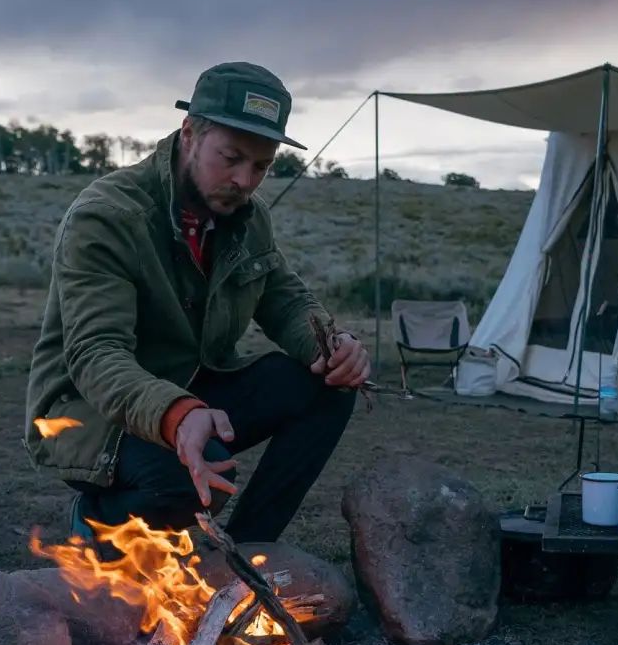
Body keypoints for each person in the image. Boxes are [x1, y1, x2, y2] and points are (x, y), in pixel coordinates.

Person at [25, 61, 370, 547]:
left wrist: (333, 345)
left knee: (326, 388)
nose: (245, 180)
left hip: (190, 387)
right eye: (231, 158)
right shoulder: (107, 218)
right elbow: (96, 354)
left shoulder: (248, 219)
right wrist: (178, 413)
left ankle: (247, 554)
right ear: (189, 133)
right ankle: (99, 520)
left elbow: (285, 299)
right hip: (87, 411)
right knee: (192, 478)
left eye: (262, 166)